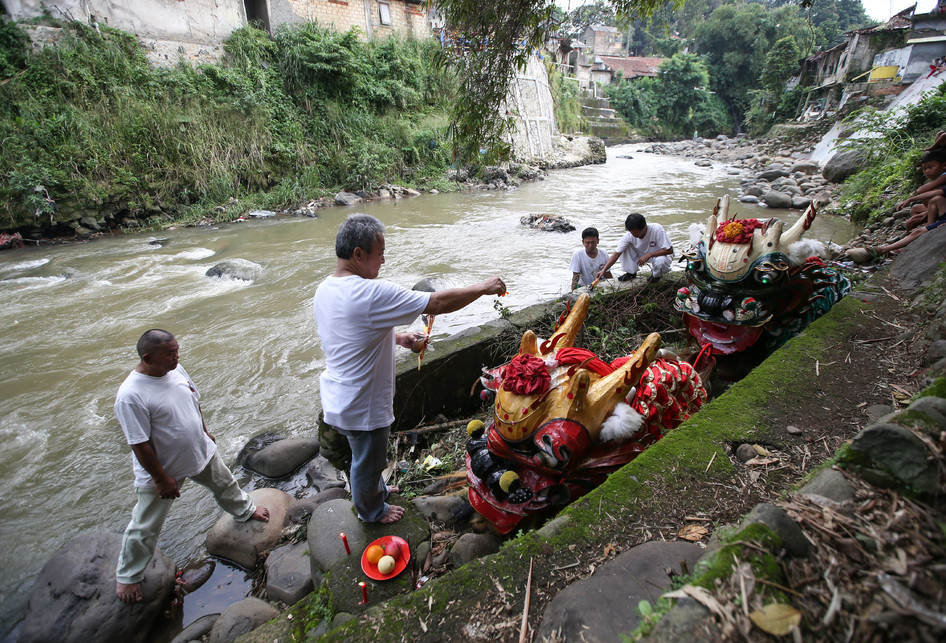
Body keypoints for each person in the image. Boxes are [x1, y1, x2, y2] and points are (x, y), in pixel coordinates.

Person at [312, 214, 506, 524]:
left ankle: (378, 491)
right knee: (368, 462)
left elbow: (352, 334)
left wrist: (399, 338)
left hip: (339, 396)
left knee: (368, 458)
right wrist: (483, 287)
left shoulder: (326, 289)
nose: (384, 260)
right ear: (359, 254)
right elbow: (437, 303)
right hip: (363, 404)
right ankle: (372, 513)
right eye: (380, 252)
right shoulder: (369, 293)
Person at [114, 329, 269, 604]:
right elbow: (139, 443)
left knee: (225, 483)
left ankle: (244, 510)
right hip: (163, 469)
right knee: (145, 525)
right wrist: (161, 478)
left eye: (176, 350)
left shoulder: (175, 370)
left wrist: (204, 431)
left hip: (199, 450)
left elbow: (193, 401)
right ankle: (128, 576)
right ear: (148, 358)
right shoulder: (130, 395)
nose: (176, 357)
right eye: (170, 353)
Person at [595, 213, 673, 283]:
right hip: (643, 254)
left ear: (644, 227)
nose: (633, 234)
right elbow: (616, 254)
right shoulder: (629, 235)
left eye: (635, 232)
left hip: (660, 255)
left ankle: (656, 276)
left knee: (660, 261)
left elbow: (669, 250)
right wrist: (603, 270)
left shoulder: (657, 229)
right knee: (624, 247)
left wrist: (649, 255)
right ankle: (631, 273)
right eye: (631, 232)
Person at [897, 148, 946, 232]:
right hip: (934, 206)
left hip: (941, 206)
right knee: (915, 209)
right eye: (924, 169)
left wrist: (911, 199)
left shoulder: (944, 176)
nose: (927, 171)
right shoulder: (938, 177)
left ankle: (929, 225)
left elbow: (921, 190)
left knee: (933, 197)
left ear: (944, 166)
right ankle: (914, 233)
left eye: (931, 167)